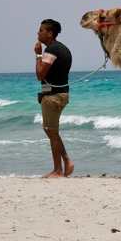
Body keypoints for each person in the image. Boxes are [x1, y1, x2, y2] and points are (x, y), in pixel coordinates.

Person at [35, 18, 74, 178]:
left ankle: (58, 170)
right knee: (51, 131)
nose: (38, 33)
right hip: (61, 94)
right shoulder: (62, 48)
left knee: (51, 131)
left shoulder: (51, 50)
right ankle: (66, 160)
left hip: (53, 96)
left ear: (50, 33)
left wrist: (38, 54)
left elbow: (40, 74)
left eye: (41, 30)